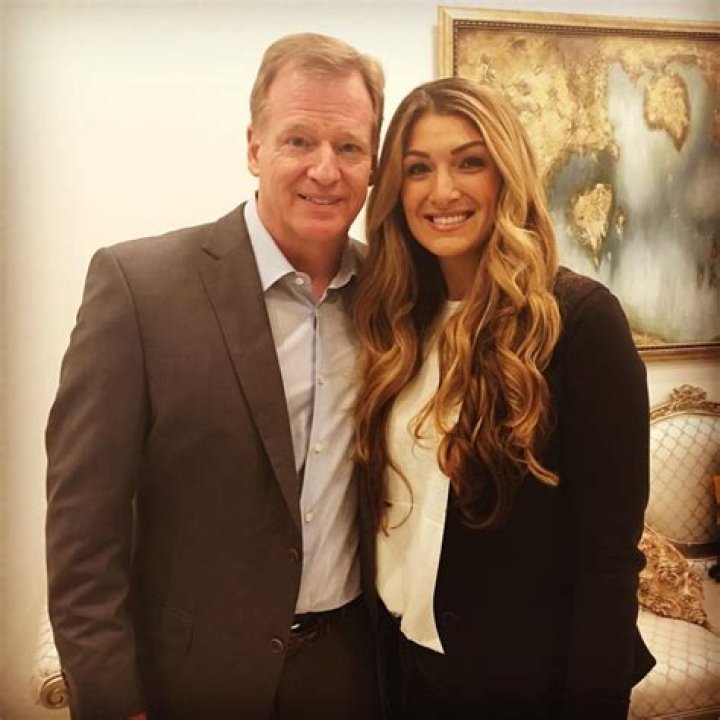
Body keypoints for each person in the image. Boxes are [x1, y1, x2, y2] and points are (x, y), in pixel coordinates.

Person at [46, 32, 385, 720]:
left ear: (373, 162)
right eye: (298, 141)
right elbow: (83, 536)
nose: (325, 170)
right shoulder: (138, 288)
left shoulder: (393, 297)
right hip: (189, 681)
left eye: (349, 146)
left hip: (352, 676)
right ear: (254, 148)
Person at [353, 77, 655, 720]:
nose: (442, 191)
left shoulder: (579, 321)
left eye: (469, 162)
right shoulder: (396, 322)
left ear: (506, 175)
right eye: (417, 169)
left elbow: (608, 560)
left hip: (523, 683)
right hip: (403, 673)